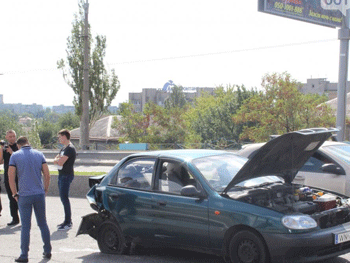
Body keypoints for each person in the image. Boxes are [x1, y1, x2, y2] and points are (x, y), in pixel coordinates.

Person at [8, 136, 52, 263]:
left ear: (18, 145)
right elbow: (47, 174)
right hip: (38, 194)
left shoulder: (15, 156)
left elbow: (11, 177)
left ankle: (24, 254)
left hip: (24, 195)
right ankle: (47, 250)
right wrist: (45, 189)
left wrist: (15, 194)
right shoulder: (39, 154)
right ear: (28, 143)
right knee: (43, 223)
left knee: (25, 226)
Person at [53, 129, 76, 231]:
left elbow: (60, 162)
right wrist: (57, 160)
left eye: (60, 137)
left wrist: (57, 160)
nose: (59, 139)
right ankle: (66, 221)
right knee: (63, 198)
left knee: (64, 198)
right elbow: (56, 159)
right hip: (61, 175)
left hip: (66, 175)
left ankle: (68, 222)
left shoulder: (70, 149)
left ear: (65, 136)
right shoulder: (63, 148)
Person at [0, 130, 20, 226]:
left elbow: (20, 160)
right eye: (10, 136)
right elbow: (0, 161)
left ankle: (24, 218)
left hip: (18, 177)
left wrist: (11, 152)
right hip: (7, 176)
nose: (12, 138)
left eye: (13, 136)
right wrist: (1, 148)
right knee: (11, 198)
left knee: (20, 198)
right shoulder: (5, 148)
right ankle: (15, 218)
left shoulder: (19, 147)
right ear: (7, 137)